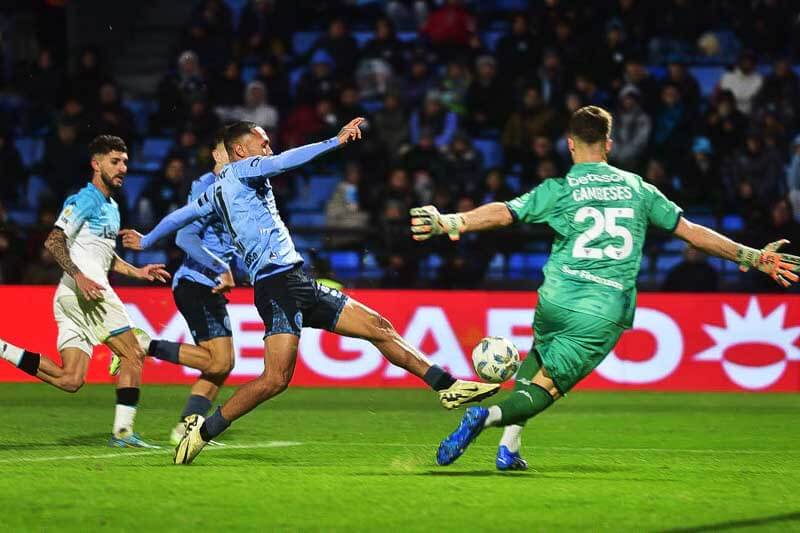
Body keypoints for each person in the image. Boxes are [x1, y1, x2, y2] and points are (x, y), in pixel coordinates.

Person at [410, 106, 800, 470]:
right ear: (609, 144)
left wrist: (452, 221)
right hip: (601, 308)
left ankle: (509, 448)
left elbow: (504, 212)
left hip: (555, 297)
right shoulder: (639, 189)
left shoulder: (559, 188)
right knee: (549, 388)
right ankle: (488, 416)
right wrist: (751, 257)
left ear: (570, 143)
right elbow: (693, 234)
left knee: (541, 354)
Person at [119, 120, 500, 464]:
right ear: (241, 150)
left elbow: (181, 216)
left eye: (268, 143)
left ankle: (448, 386)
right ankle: (202, 432)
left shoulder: (216, 191)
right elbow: (285, 162)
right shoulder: (244, 169)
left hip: (295, 281)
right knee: (274, 380)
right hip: (276, 286)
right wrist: (335, 141)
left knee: (378, 327)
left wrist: (149, 237)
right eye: (262, 142)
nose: (267, 148)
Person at [0, 136, 170, 448]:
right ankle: (123, 434)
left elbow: (105, 257)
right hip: (88, 292)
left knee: (71, 380)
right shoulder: (83, 200)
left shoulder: (112, 207)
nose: (123, 169)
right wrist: (79, 276)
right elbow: (53, 241)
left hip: (69, 297)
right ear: (96, 164)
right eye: (115, 162)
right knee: (133, 353)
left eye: (125, 162)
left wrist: (138, 272)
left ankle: (1, 349)